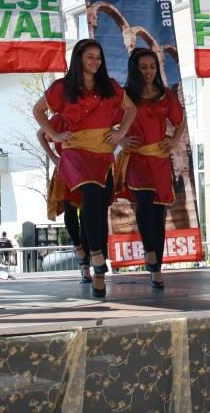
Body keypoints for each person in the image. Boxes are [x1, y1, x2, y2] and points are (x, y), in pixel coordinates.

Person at [34, 39, 136, 298]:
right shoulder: (63, 88)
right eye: (90, 57)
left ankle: (98, 272)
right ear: (78, 59)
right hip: (75, 155)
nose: (95, 62)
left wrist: (120, 133)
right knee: (85, 202)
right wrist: (54, 135)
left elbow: (130, 109)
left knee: (99, 211)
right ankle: (93, 254)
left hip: (102, 155)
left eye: (98, 57)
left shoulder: (109, 87)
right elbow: (38, 111)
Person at [115, 49, 187, 291]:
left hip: (159, 160)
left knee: (159, 215)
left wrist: (175, 140)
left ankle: (157, 263)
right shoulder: (126, 96)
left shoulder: (166, 96)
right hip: (137, 159)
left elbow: (180, 120)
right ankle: (151, 258)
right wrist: (121, 140)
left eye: (152, 66)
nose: (148, 71)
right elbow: (108, 121)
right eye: (143, 67)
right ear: (135, 69)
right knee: (144, 207)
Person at [37, 118, 90, 282]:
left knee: (87, 215)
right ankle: (80, 251)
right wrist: (53, 156)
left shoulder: (87, 113)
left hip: (87, 168)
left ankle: (86, 259)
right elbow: (40, 133)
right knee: (70, 209)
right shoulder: (60, 117)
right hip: (66, 167)